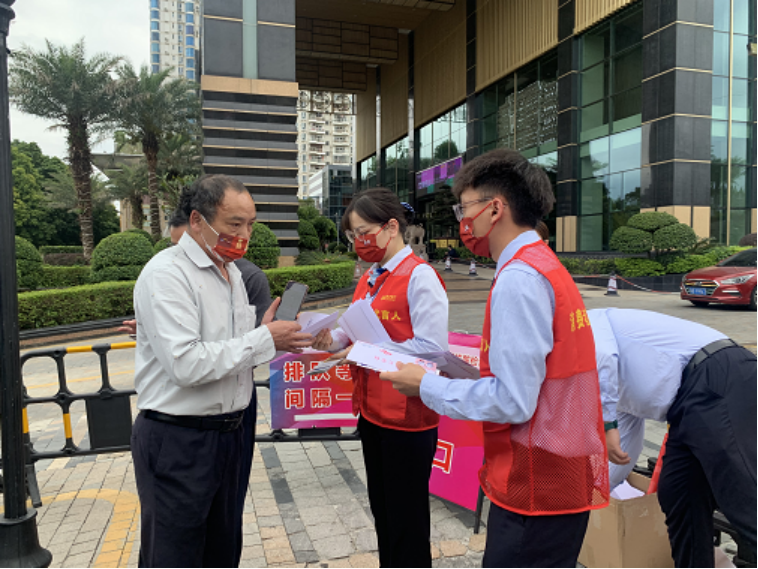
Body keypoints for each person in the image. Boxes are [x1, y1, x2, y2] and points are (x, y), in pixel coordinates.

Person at [381, 149, 609, 569]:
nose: (462, 219)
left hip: (535, 481)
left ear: (494, 209)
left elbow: (512, 401)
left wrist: (425, 385)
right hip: (557, 470)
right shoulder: (543, 264)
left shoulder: (519, 278)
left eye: (464, 208)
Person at [131, 174, 317, 568]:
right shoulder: (167, 274)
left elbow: (231, 349)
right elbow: (186, 363)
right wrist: (263, 339)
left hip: (231, 434)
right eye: (234, 223)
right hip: (180, 438)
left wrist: (266, 333)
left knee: (223, 548)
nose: (244, 235)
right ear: (197, 220)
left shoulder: (230, 273)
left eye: (250, 224)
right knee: (174, 554)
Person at [313, 188, 449, 568]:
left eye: (363, 233)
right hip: (372, 414)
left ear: (391, 227)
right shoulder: (370, 278)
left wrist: (364, 351)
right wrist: (327, 339)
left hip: (407, 418)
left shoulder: (420, 277)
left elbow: (431, 348)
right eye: (352, 235)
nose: (358, 242)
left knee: (407, 522)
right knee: (385, 515)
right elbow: (351, 332)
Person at [589, 308, 757, 568]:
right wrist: (593, 497)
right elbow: (624, 448)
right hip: (686, 406)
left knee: (743, 498)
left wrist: (607, 423)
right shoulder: (614, 392)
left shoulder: (584, 323)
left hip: (718, 377)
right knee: (678, 493)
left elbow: (603, 356)